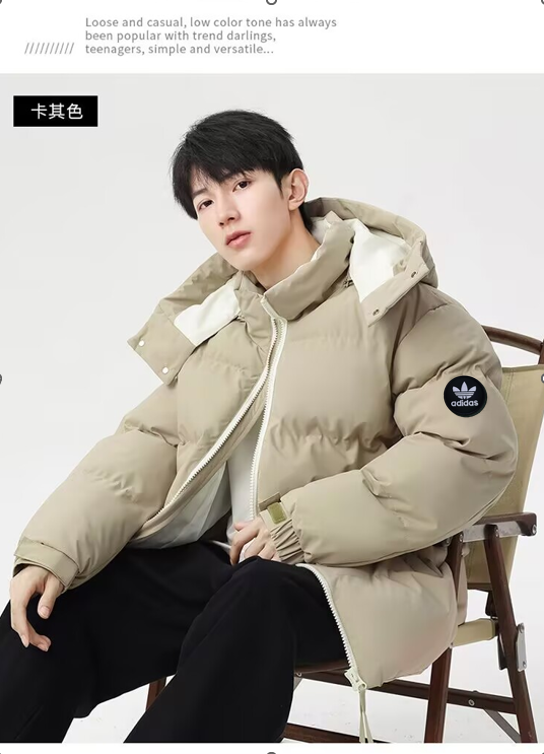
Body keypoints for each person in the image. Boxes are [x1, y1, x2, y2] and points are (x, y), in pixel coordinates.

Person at [0, 108, 519, 744]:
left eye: (240, 185)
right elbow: (152, 444)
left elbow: (467, 450)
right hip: (229, 566)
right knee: (53, 608)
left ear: (293, 187)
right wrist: (51, 551)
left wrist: (298, 524)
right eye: (204, 201)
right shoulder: (225, 324)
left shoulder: (402, 307)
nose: (223, 213)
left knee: (258, 596)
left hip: (361, 576)